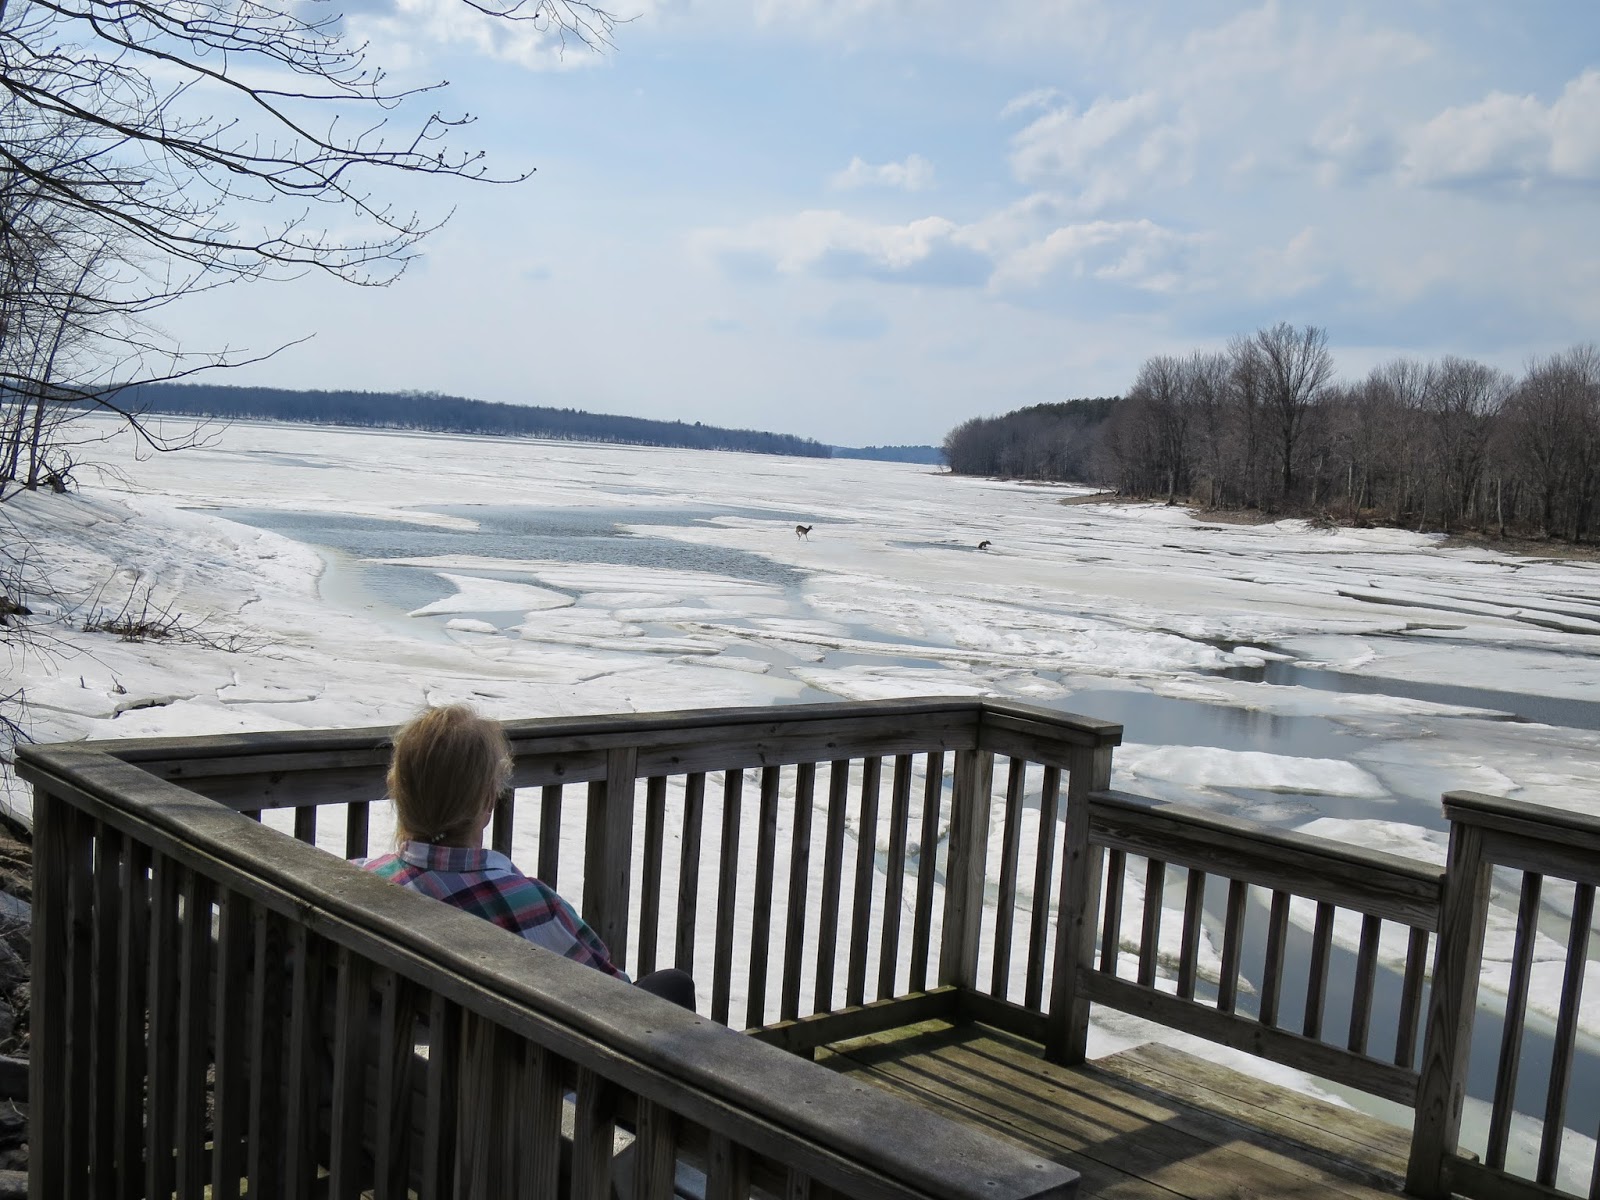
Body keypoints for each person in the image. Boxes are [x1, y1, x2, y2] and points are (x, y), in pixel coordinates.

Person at [360, 703, 696, 1010]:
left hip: (396, 1067)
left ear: (398, 790)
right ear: (487, 801)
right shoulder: (529, 906)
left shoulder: (359, 884)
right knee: (673, 985)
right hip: (509, 1072)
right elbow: (612, 994)